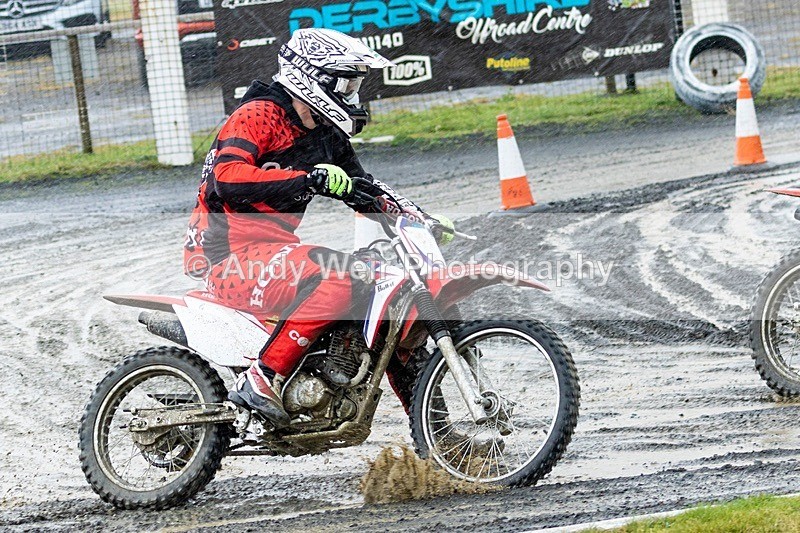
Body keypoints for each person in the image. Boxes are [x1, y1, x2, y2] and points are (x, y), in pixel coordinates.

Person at [183, 28, 452, 427]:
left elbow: (366, 190)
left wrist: (417, 217)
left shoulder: (325, 135)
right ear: (312, 77)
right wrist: (308, 179)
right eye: (346, 83)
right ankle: (264, 378)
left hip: (273, 253)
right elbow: (227, 177)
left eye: (356, 85)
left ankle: (440, 437)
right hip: (226, 258)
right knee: (338, 274)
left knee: (384, 299)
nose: (352, 95)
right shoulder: (258, 115)